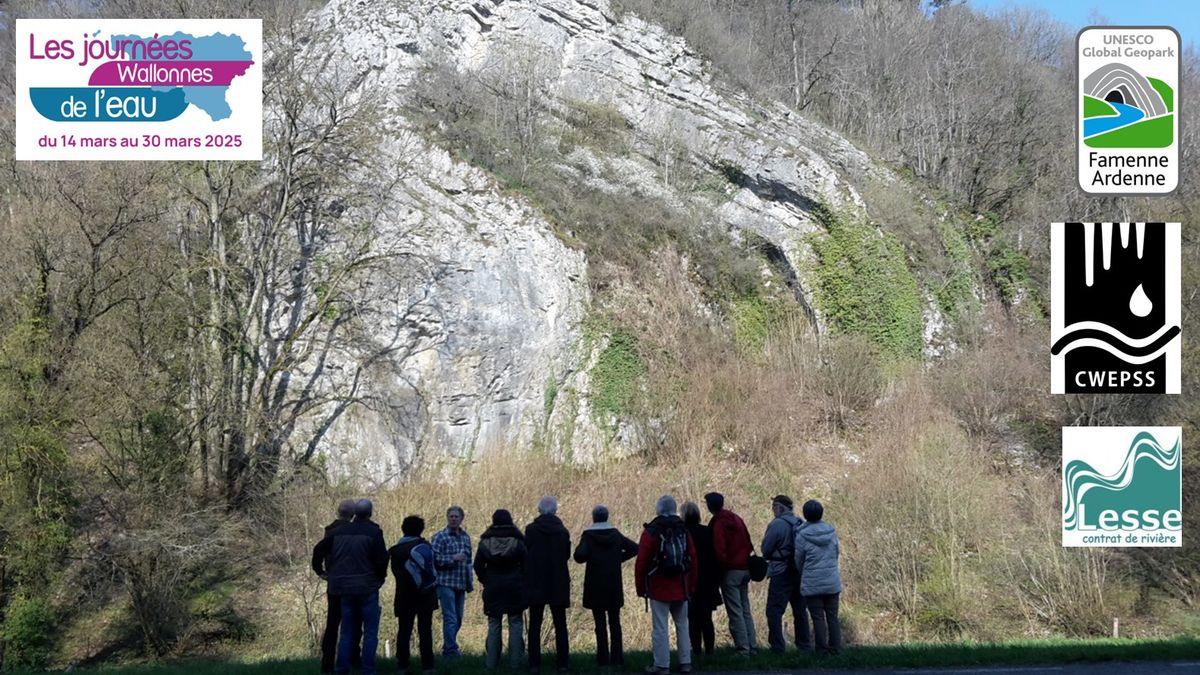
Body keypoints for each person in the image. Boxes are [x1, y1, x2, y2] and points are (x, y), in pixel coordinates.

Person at [312, 499, 388, 675]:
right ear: (370, 513)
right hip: (367, 587)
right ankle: (367, 669)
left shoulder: (339, 531)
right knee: (369, 631)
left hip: (343, 587)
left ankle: (341, 669)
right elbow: (382, 558)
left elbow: (318, 550)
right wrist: (380, 578)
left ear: (355, 514)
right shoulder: (374, 532)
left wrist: (320, 571)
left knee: (346, 631)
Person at [635, 495, 696, 675]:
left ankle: (662, 665)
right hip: (682, 585)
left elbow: (642, 562)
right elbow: (693, 559)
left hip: (659, 586)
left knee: (660, 628)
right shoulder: (683, 529)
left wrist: (641, 588)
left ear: (658, 510)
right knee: (682, 625)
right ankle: (686, 663)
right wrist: (691, 587)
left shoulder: (652, 531)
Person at [573, 505, 638, 668]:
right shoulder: (615, 534)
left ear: (593, 517)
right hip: (613, 584)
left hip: (595, 585)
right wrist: (618, 559)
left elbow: (579, 556)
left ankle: (602, 659)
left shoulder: (588, 535)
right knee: (615, 623)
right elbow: (634, 548)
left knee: (599, 623)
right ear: (607, 517)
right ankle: (617, 659)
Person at [474, 509, 528, 670]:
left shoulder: (485, 542)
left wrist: (486, 580)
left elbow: (477, 566)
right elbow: (527, 565)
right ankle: (515, 663)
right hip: (514, 587)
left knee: (494, 624)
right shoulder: (518, 541)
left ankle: (491, 664)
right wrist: (521, 579)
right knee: (516, 623)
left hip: (493, 587)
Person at [524, 496, 572, 674]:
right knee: (560, 624)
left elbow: (525, 553)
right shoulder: (563, 531)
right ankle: (563, 664)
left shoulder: (531, 530)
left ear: (539, 510)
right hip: (558, 582)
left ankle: (534, 664)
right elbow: (566, 555)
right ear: (555, 511)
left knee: (535, 624)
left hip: (536, 582)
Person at [705, 492, 756, 656]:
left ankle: (743, 649)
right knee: (745, 609)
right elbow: (748, 542)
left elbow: (720, 551)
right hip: (745, 568)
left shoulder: (718, 524)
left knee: (735, 611)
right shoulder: (736, 519)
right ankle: (752, 645)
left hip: (730, 571)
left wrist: (719, 570)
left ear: (709, 506)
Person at [313, 499, 358, 674]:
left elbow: (318, 551)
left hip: (334, 582)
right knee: (353, 623)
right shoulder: (350, 532)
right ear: (352, 515)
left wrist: (321, 572)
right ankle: (352, 659)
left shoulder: (329, 531)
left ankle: (327, 664)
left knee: (332, 623)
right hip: (351, 582)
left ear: (338, 512)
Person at [389, 515, 438, 674]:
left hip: (404, 596)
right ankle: (428, 667)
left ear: (403, 529)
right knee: (425, 630)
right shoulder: (426, 547)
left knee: (404, 630)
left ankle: (402, 665)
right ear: (420, 530)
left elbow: (395, 573)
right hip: (425, 595)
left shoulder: (395, 551)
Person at [794, 500, 842, 656]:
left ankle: (821, 650)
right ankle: (835, 649)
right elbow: (836, 553)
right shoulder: (831, 532)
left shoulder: (802, 535)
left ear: (805, 515)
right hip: (832, 581)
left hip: (812, 582)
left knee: (818, 618)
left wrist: (805, 573)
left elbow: (798, 560)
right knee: (832, 617)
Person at [762, 495, 809, 653]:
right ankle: (804, 645)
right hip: (799, 572)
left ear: (780, 507)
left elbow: (766, 549)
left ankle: (777, 647)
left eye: (774, 507)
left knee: (774, 611)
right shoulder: (800, 523)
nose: (772, 510)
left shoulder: (777, 524)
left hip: (780, 571)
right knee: (800, 610)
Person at [432, 505, 473, 659]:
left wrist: (470, 582)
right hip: (445, 582)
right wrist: (452, 558)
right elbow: (433, 559)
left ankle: (448, 646)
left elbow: (469, 560)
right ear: (447, 518)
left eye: (456, 516)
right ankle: (451, 651)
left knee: (459, 618)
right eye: (451, 516)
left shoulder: (466, 537)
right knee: (450, 617)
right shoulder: (440, 537)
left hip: (461, 583)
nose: (454, 519)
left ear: (461, 519)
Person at [680, 501, 721, 657]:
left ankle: (696, 651)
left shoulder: (682, 533)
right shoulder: (708, 532)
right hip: (708, 580)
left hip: (690, 580)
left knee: (692, 620)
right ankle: (710, 651)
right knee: (706, 618)